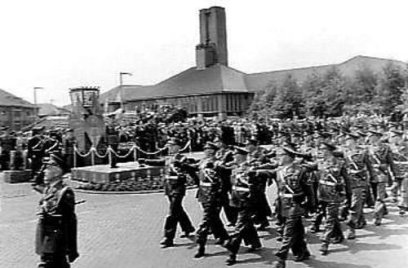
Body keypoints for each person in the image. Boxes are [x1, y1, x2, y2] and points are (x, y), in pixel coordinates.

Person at [272, 146, 316, 268]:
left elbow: (309, 190)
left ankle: (281, 258)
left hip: (294, 204)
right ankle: (302, 252)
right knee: (297, 230)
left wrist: (312, 205)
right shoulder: (279, 171)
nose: (277, 158)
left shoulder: (300, 171)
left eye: (280, 155)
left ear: (288, 157)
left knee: (288, 232)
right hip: (282, 204)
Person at [35, 152, 79, 268]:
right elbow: (35, 183)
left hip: (56, 244)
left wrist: (71, 248)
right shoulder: (49, 189)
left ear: (56, 171)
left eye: (48, 168)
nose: (44, 171)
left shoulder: (65, 193)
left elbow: (69, 222)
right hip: (47, 242)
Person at [223, 147, 262, 266]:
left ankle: (232, 251)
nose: (234, 157)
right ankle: (255, 243)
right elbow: (224, 167)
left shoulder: (250, 168)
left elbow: (255, 187)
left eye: (236, 155)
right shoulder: (235, 168)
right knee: (247, 223)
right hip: (236, 199)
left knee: (238, 228)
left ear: (241, 156)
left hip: (246, 201)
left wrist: (251, 200)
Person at [194, 142, 229, 258]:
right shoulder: (202, 161)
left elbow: (224, 176)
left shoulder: (217, 163)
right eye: (205, 150)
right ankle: (224, 238)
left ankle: (201, 246)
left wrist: (219, 193)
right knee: (213, 219)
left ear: (214, 152)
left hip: (213, 194)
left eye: (210, 150)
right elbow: (195, 169)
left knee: (206, 220)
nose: (207, 152)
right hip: (203, 193)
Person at [158, 138, 195, 248]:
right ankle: (188, 228)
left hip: (178, 188)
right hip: (169, 188)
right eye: (169, 146)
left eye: (172, 146)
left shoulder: (182, 159)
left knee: (172, 213)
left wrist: (198, 183)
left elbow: (190, 171)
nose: (169, 148)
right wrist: (145, 161)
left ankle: (168, 237)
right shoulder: (169, 158)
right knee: (178, 209)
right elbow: (159, 163)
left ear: (178, 147)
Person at [317, 142, 350, 255]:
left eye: (322, 149)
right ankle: (338, 235)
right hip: (322, 193)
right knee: (330, 217)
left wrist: (348, 195)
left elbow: (347, 179)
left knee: (329, 219)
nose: (320, 151)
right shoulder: (320, 162)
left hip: (334, 193)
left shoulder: (340, 163)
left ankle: (324, 242)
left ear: (329, 150)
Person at [344, 132, 371, 239]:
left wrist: (372, 177)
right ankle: (360, 220)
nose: (346, 142)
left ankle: (351, 228)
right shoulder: (344, 152)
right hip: (348, 181)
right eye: (346, 140)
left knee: (356, 204)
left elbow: (369, 166)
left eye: (348, 140)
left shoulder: (362, 152)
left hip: (360, 181)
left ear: (354, 141)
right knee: (352, 203)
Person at [367, 129, 395, 226]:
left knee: (379, 197)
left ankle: (377, 217)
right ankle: (383, 210)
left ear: (377, 137)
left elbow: (391, 162)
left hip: (381, 174)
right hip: (371, 175)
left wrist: (394, 175)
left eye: (371, 136)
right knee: (375, 195)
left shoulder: (386, 148)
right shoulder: (367, 148)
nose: (369, 138)